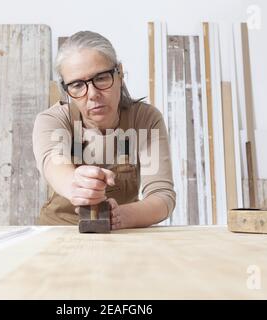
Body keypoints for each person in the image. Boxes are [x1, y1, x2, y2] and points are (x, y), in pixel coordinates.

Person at [32, 31, 176, 230]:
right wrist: (75, 183)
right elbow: (52, 163)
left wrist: (120, 217)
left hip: (122, 234)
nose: (92, 95)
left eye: (100, 78)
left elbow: (162, 197)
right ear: (66, 90)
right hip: (59, 232)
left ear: (120, 74)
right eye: (77, 85)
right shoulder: (54, 120)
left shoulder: (144, 120)